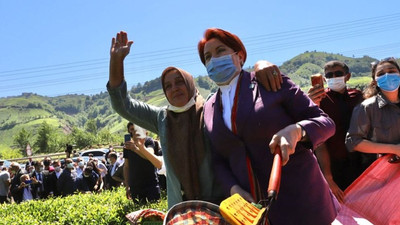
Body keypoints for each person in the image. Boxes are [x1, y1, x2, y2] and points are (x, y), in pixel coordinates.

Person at [107, 31, 282, 208]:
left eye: (179, 82)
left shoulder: (213, 107)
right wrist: (117, 62)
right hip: (182, 211)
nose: (174, 88)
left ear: (190, 83)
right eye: (168, 86)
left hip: (222, 207)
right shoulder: (162, 118)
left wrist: (261, 66)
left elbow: (244, 94)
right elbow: (123, 105)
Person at [198, 28, 337, 225]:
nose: (214, 60)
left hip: (302, 201)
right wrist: (233, 189)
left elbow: (326, 123)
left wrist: (297, 131)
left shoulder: (269, 82)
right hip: (253, 214)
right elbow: (218, 159)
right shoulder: (210, 108)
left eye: (220, 51)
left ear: (240, 56)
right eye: (207, 57)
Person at [307, 61, 364, 203]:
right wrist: (328, 177)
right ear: (325, 79)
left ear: (348, 76)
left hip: (361, 162)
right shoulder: (320, 100)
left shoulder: (358, 96)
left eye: (338, 74)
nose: (334, 77)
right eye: (329, 75)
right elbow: (319, 141)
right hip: (333, 166)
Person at [346, 57, 400, 161]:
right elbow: (353, 142)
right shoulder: (366, 107)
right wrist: (394, 149)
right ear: (375, 82)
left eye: (392, 71)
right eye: (381, 74)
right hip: (385, 170)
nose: (387, 75)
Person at [122, 122, 160, 203]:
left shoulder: (148, 141)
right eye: (131, 129)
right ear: (128, 131)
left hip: (151, 183)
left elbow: (150, 156)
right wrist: (127, 185)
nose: (134, 132)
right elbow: (126, 166)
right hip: (135, 186)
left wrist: (135, 149)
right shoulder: (127, 145)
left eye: (135, 129)